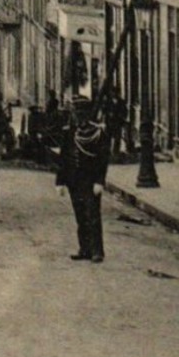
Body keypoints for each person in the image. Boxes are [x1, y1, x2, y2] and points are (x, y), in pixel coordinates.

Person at [56, 96, 109, 262]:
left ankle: (97, 251)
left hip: (90, 180)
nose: (78, 116)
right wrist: (60, 181)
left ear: (87, 114)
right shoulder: (69, 132)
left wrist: (100, 181)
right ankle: (84, 248)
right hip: (74, 181)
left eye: (81, 113)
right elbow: (63, 158)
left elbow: (103, 159)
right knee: (80, 215)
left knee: (93, 215)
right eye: (76, 112)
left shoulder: (97, 133)